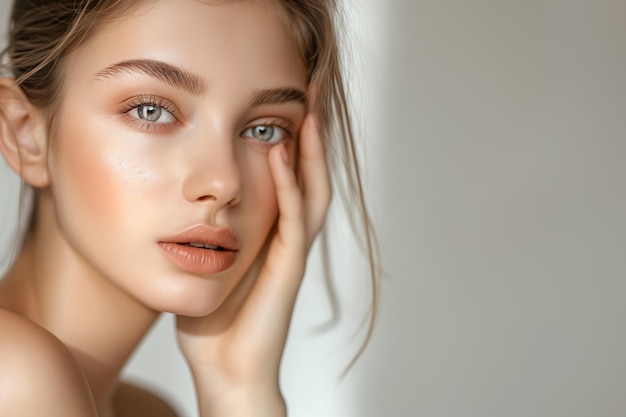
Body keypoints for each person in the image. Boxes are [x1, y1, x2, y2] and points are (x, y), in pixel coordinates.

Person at [0, 0, 379, 416]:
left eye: (264, 130)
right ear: (25, 133)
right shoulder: (15, 377)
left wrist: (237, 388)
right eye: (152, 110)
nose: (224, 183)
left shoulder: (150, 411)